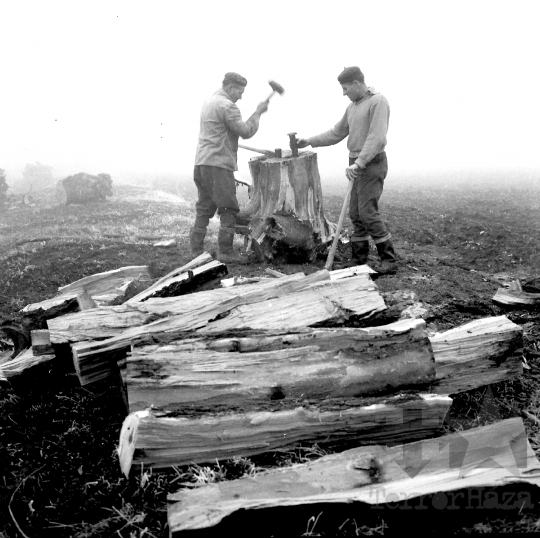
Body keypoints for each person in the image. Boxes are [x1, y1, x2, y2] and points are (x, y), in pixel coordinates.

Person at [296, 66, 398, 274]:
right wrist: (310, 141)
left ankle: (389, 260)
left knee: (367, 212)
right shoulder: (353, 106)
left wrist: (359, 163)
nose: (343, 93)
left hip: (371, 163)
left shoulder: (378, 102)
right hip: (356, 162)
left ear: (357, 83)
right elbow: (337, 132)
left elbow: (376, 138)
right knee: (355, 213)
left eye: (345, 88)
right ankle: (359, 259)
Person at [190, 72, 268, 264]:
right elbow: (246, 131)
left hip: (201, 164)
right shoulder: (227, 106)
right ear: (231, 87)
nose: (240, 96)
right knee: (229, 209)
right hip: (218, 165)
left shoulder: (209, 102)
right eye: (240, 91)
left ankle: (196, 251)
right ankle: (225, 252)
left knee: (204, 207)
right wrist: (258, 113)